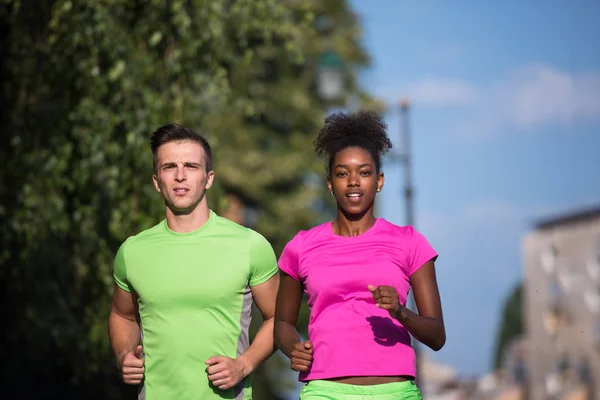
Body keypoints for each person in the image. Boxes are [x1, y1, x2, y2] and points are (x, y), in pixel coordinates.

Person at [274, 111, 446, 399]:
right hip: (325, 390)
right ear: (330, 183)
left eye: (364, 173)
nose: (353, 181)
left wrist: (400, 312)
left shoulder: (409, 243)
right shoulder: (301, 246)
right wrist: (293, 347)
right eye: (342, 173)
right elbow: (282, 323)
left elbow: (437, 335)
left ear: (379, 181)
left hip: (394, 391)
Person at [108, 123, 279, 399]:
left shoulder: (250, 245)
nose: (180, 176)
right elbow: (122, 315)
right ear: (156, 181)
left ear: (208, 178)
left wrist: (243, 365)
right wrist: (123, 354)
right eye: (169, 167)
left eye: (191, 166)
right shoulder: (132, 251)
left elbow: (279, 318)